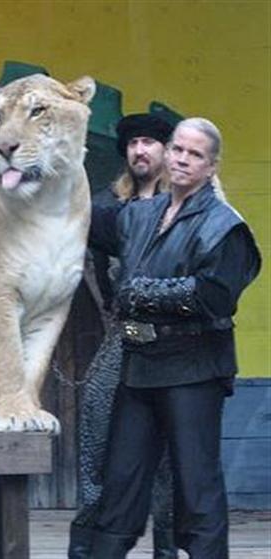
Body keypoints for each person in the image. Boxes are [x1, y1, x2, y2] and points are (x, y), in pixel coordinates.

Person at [87, 117, 261, 559]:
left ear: (211, 167)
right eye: (178, 149)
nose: (183, 159)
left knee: (196, 488)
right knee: (119, 487)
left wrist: (140, 291)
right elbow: (84, 221)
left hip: (194, 370)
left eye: (195, 154)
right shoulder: (140, 214)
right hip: (140, 367)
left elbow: (215, 298)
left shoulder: (225, 226)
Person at [68, 113, 178, 559]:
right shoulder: (106, 206)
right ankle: (84, 551)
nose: (139, 150)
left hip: (175, 349)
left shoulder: (190, 206)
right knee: (95, 445)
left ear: (167, 151)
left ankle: (167, 552)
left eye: (149, 142)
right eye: (133, 143)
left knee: (170, 466)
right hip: (121, 340)